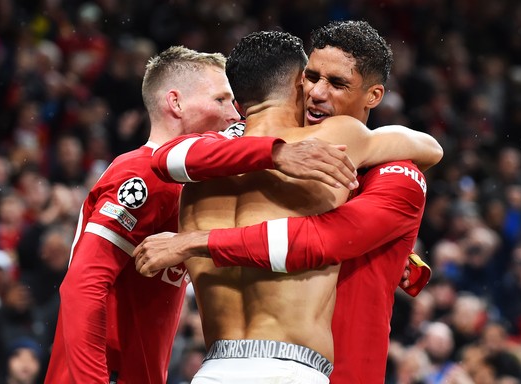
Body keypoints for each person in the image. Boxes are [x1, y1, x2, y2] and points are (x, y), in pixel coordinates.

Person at [135, 21, 442, 383]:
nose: (316, 93)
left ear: (374, 96)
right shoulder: (341, 139)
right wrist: (275, 153)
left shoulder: (205, 162)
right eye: (310, 78)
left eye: (337, 83)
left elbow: (163, 158)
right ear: (295, 83)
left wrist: (190, 242)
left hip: (216, 369)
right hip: (295, 368)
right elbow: (430, 147)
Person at [43, 45, 364, 384]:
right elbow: (83, 287)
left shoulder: (196, 187)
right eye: (221, 100)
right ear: (175, 103)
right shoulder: (140, 174)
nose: (235, 111)